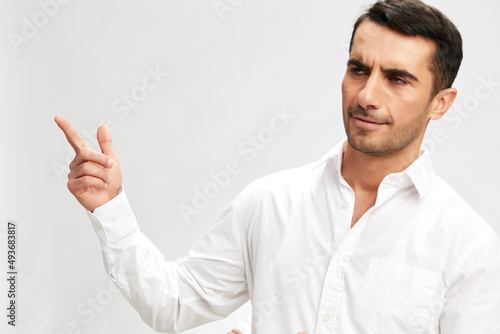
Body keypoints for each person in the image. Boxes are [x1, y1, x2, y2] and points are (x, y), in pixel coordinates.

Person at [55, 0, 500, 333]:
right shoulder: (271, 202)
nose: (367, 95)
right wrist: (110, 208)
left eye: (397, 79)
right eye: (358, 69)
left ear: (441, 103)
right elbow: (172, 304)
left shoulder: (467, 246)